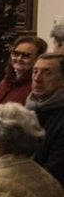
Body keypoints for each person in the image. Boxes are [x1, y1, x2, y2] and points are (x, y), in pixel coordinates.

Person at [28, 52, 64, 184]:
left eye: (47, 73)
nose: (37, 78)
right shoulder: (29, 108)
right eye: (35, 71)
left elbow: (54, 170)